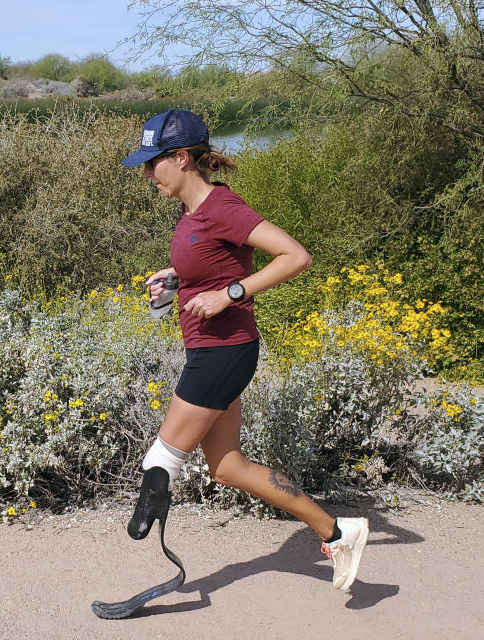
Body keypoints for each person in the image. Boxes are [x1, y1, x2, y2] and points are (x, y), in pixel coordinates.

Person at [121, 109, 368, 592]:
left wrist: (231, 294)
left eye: (153, 163)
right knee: (227, 467)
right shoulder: (192, 214)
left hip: (224, 352)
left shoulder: (222, 208)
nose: (148, 174)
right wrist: (175, 284)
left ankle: (166, 572)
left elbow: (296, 256)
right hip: (211, 350)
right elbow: (209, 268)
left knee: (162, 460)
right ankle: (339, 532)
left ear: (182, 157)